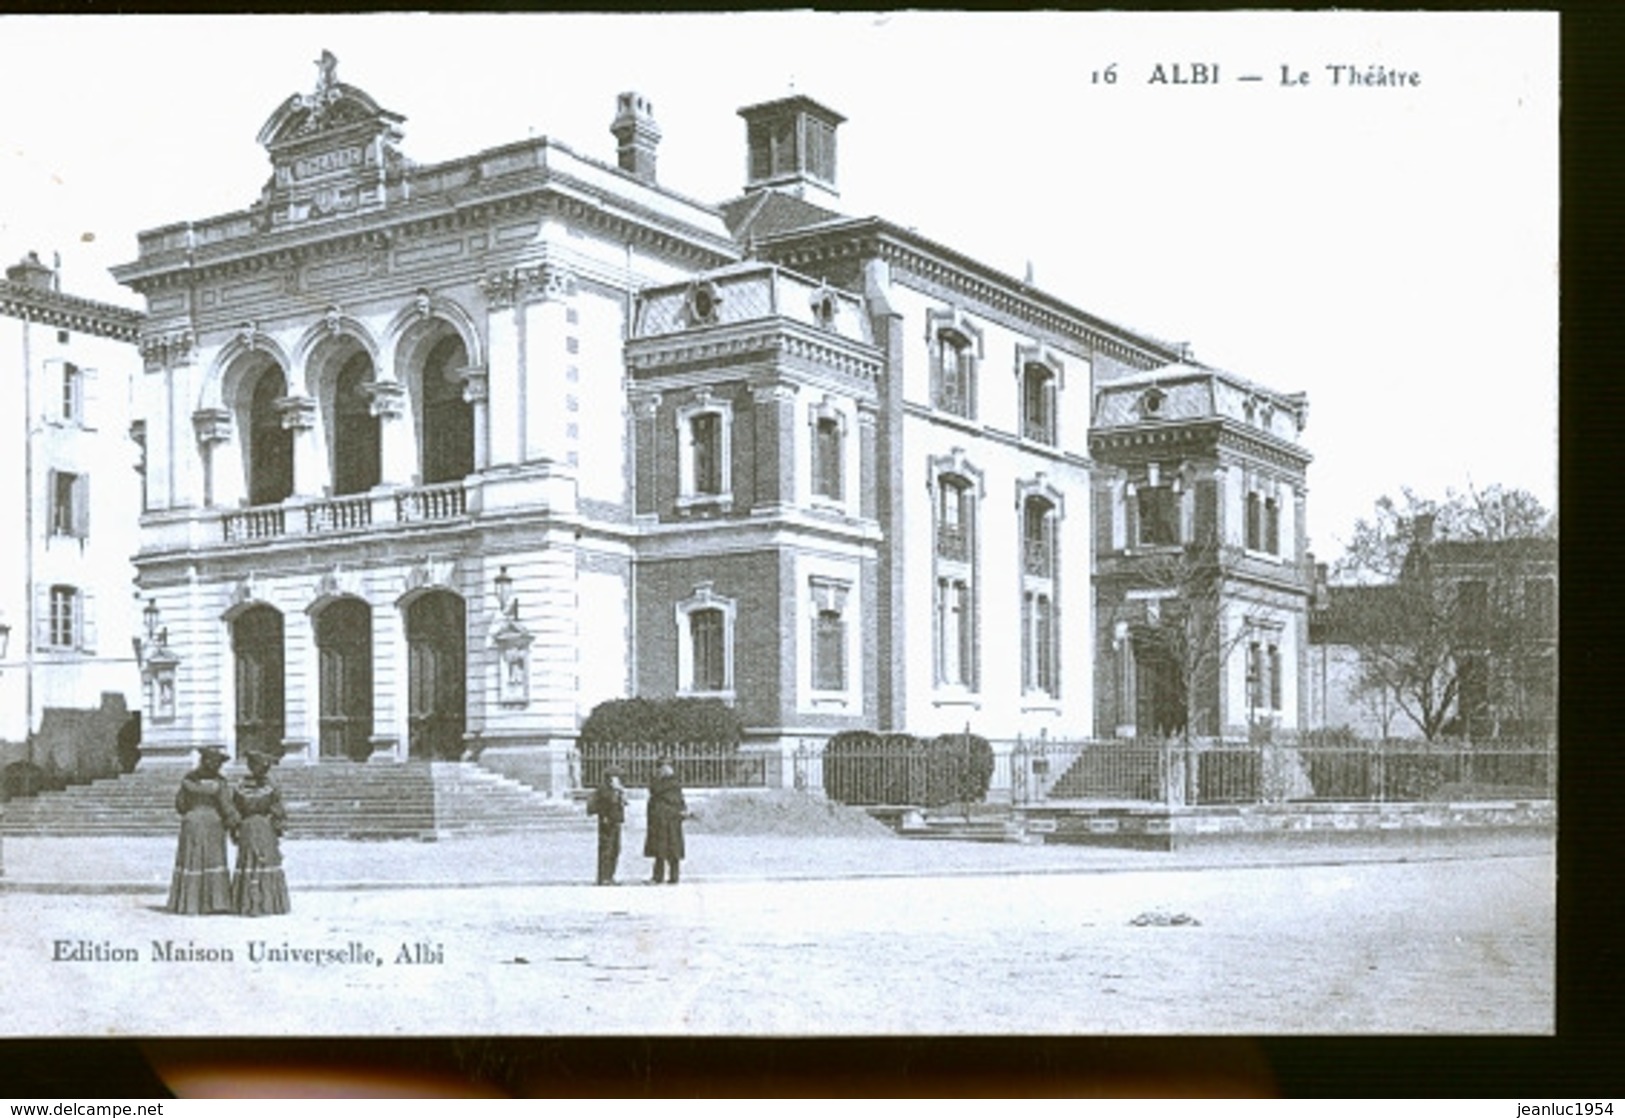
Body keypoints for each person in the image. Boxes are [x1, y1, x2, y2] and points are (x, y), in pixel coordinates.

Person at [165, 746, 239, 915]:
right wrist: (235, 824)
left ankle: (189, 902)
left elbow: (180, 804)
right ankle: (215, 903)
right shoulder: (219, 783)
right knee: (213, 859)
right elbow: (226, 806)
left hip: (191, 823)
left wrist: (192, 812)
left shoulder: (188, 780)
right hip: (213, 823)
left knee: (193, 859)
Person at [231, 749, 290, 916]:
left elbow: (235, 809)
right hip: (264, 827)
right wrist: (279, 829)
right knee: (265, 860)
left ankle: (247, 903)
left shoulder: (240, 786)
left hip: (247, 827)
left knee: (249, 862)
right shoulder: (271, 787)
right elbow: (278, 809)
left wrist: (235, 829)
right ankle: (268, 903)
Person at [644, 758, 687, 885]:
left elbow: (655, 789)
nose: (661, 770)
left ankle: (663, 877)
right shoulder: (673, 782)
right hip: (664, 819)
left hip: (667, 819)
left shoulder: (665, 783)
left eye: (664, 767)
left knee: (665, 849)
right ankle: (670, 876)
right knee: (666, 849)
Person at [585, 765, 627, 885]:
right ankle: (603, 877)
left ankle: (610, 876)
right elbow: (606, 805)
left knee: (615, 849)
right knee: (606, 850)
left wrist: (620, 792)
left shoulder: (617, 789)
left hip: (616, 821)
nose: (619, 779)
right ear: (611, 778)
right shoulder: (604, 789)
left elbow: (622, 804)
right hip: (607, 822)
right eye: (617, 777)